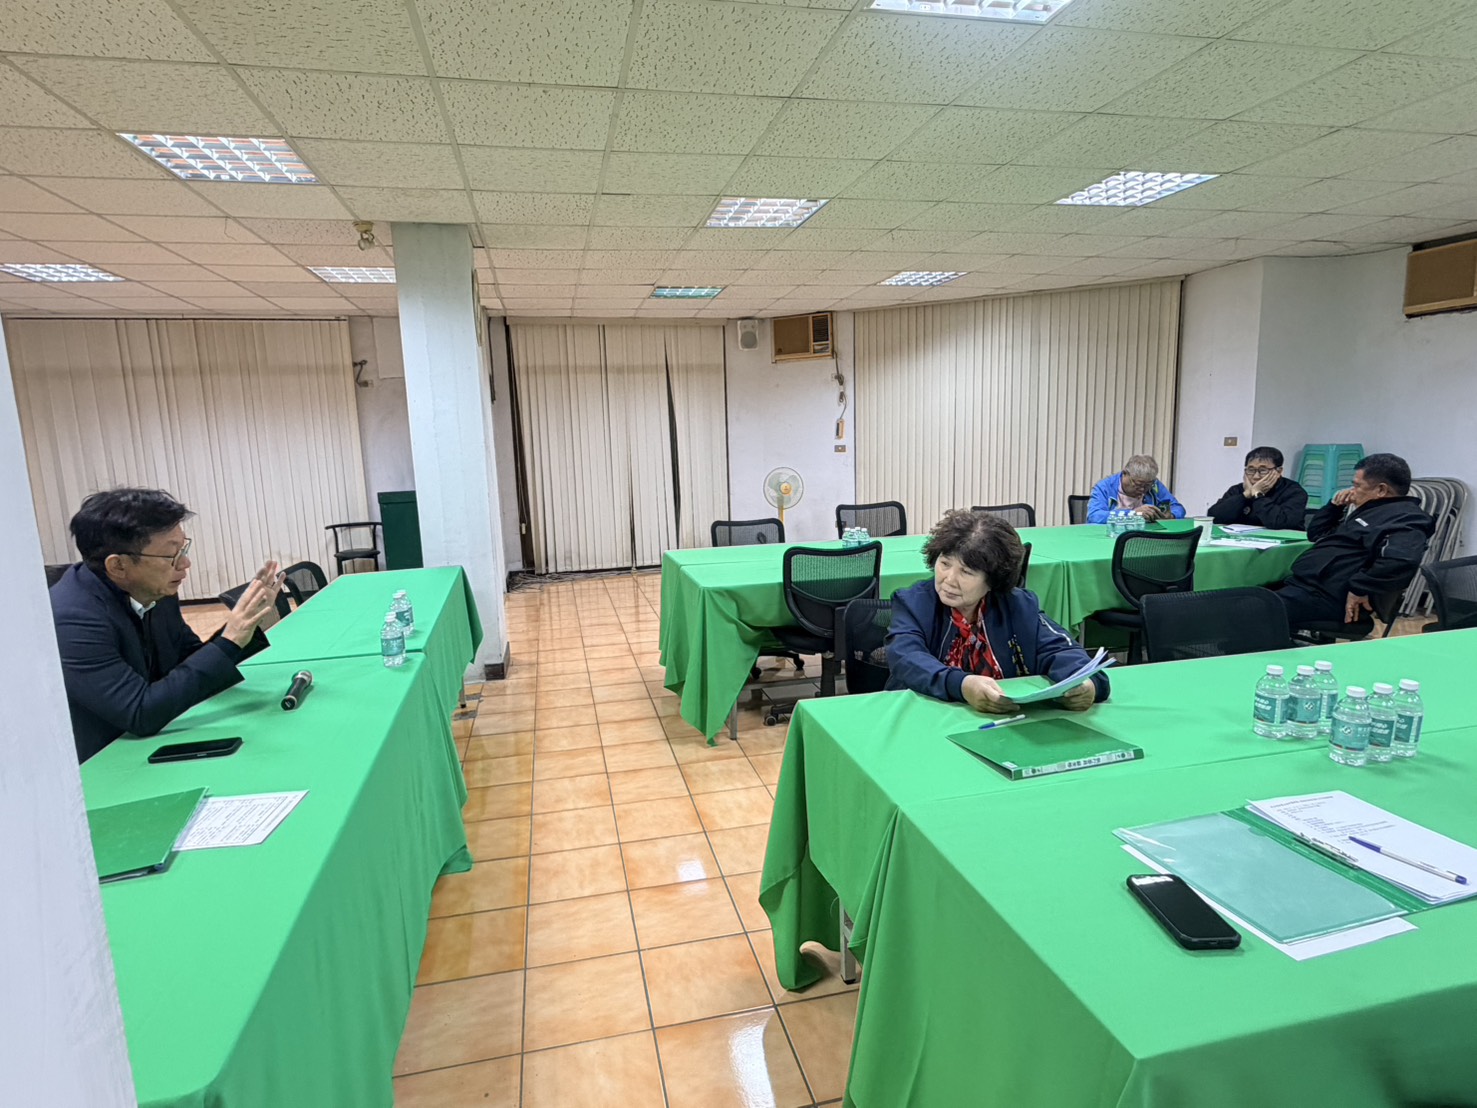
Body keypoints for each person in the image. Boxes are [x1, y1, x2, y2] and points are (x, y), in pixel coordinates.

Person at [49, 488, 281, 762]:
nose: (185, 563)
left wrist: (246, 626)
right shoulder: (72, 619)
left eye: (183, 549)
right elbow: (140, 712)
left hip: (156, 739)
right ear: (118, 566)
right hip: (102, 761)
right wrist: (230, 642)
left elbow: (187, 660)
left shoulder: (155, 589)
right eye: (171, 555)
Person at [887, 509, 1109, 713]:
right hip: (926, 714)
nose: (949, 579)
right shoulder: (913, 603)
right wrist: (962, 685)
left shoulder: (1018, 605)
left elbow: (1059, 649)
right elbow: (907, 659)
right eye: (945, 564)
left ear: (993, 580)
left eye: (966, 572)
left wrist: (1086, 684)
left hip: (1004, 719)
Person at [1274, 454, 1433, 628]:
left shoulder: (1406, 518)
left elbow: (1401, 560)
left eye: (1357, 485)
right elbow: (1316, 533)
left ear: (1381, 490)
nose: (1351, 491)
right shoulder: (1370, 511)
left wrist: (1359, 588)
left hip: (1327, 596)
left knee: (1255, 610)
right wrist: (1334, 507)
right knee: (1253, 595)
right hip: (1306, 585)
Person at [1208, 446, 1309, 530]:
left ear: (1279, 471)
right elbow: (1214, 517)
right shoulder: (1238, 489)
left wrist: (1258, 495)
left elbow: (1280, 523)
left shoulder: (1294, 491)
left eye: (1263, 470)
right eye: (1251, 470)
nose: (1256, 476)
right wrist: (1245, 495)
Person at [1087, 455, 1185, 523]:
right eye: (1138, 485)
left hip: (1146, 536)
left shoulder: (1154, 485)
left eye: (1147, 485)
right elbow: (1094, 516)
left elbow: (1178, 507)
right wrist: (1133, 514)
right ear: (1125, 474)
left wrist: (1171, 515)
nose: (1142, 489)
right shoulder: (1105, 487)